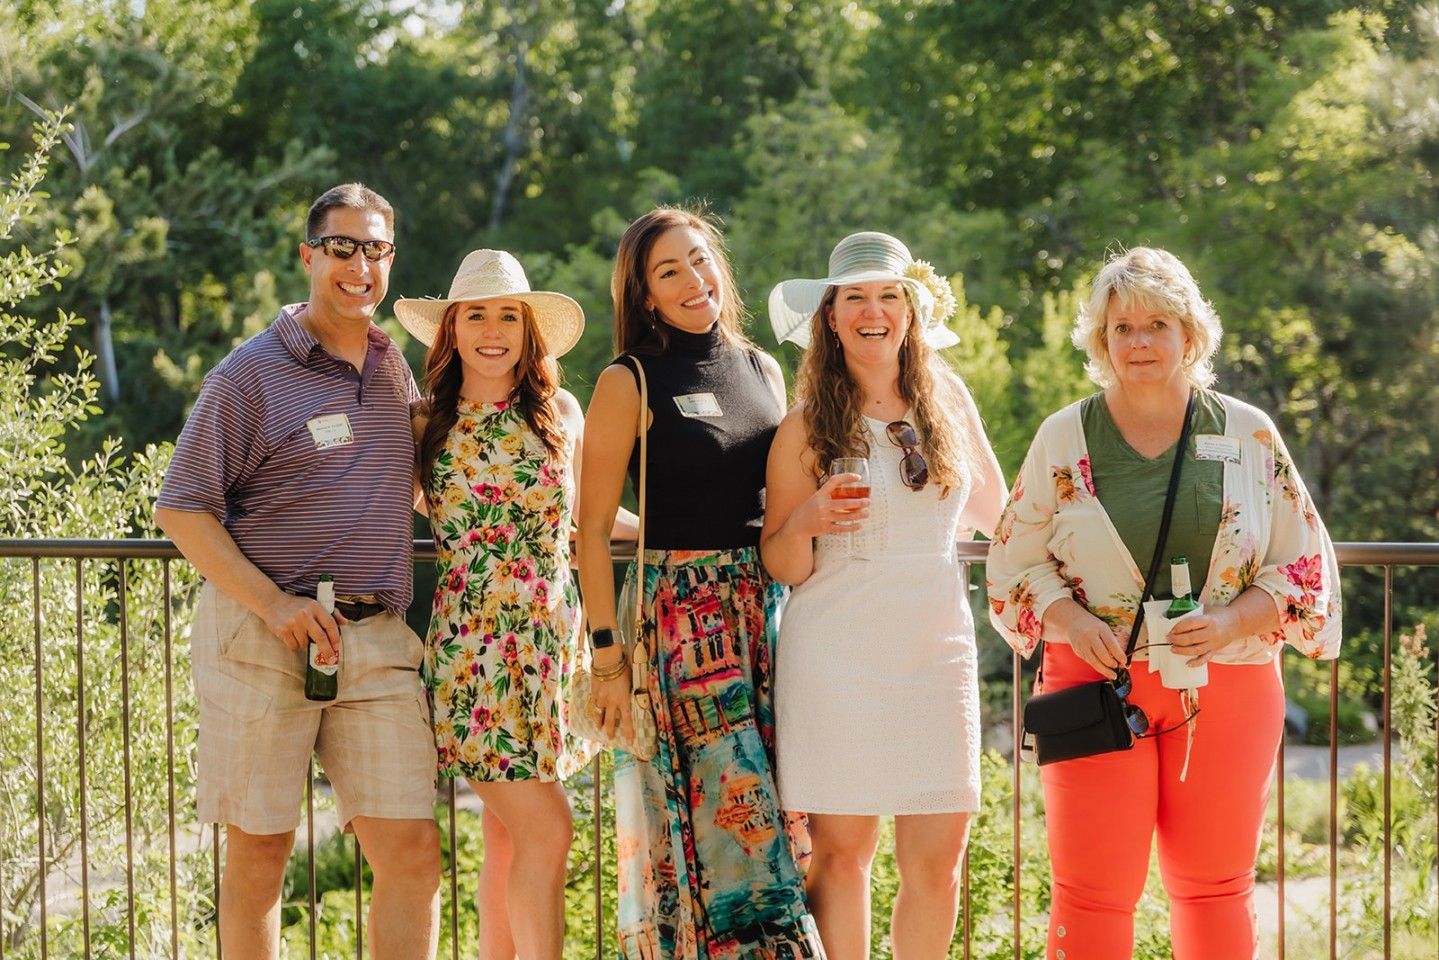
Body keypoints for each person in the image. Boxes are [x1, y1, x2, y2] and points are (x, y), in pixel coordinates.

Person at [985, 246, 1342, 959]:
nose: (1138, 341)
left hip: (1228, 682)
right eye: (1120, 328)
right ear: (1099, 340)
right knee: (1089, 893)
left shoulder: (1245, 433)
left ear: (1190, 334)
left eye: (1156, 324)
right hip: (1092, 685)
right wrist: (1071, 619)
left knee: (1213, 887)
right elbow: (1012, 560)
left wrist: (1229, 622)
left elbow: (1303, 566)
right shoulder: (1063, 435)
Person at [154, 183, 440, 960]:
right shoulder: (249, 373)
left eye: (375, 249)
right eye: (342, 248)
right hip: (262, 634)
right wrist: (275, 604)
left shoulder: (391, 369)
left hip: (375, 640)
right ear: (309, 255)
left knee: (413, 854)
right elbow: (181, 508)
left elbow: (412, 485)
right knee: (260, 855)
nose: (360, 265)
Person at [575, 206, 824, 958]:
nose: (693, 280)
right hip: (677, 622)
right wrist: (607, 658)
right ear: (645, 295)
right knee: (703, 820)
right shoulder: (629, 378)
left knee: (771, 813)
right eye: (669, 271)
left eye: (701, 260)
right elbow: (588, 529)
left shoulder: (762, 369)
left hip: (763, 613)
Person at [760, 232, 1006, 959]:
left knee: (938, 859)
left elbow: (1002, 512)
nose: (873, 311)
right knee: (841, 857)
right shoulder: (806, 423)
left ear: (911, 311)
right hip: (835, 659)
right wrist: (805, 519)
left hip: (935, 654)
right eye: (855, 298)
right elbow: (782, 561)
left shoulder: (948, 400)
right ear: (829, 317)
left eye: (888, 296)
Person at [398, 249, 632, 959]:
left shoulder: (558, 410)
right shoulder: (422, 422)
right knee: (546, 828)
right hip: (476, 652)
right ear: (452, 330)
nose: (493, 329)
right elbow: (376, 509)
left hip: (551, 647)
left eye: (508, 316)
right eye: (477, 315)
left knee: (506, 834)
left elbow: (593, 518)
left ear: (529, 332)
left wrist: (680, 538)